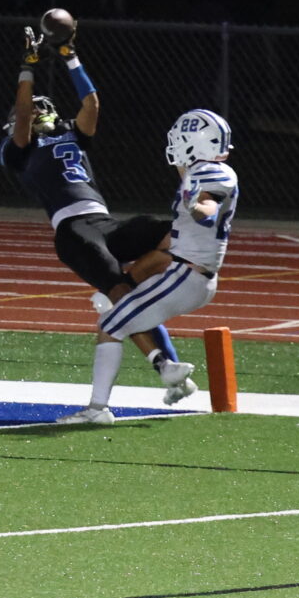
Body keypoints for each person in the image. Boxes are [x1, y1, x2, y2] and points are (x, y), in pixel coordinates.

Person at [0, 14, 201, 422]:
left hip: (105, 221)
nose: (38, 111)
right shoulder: (17, 149)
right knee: (120, 293)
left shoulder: (72, 132)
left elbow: (92, 104)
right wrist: (27, 68)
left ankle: (134, 294)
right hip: (73, 230)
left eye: (41, 107)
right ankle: (164, 364)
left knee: (173, 233)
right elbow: (22, 117)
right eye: (32, 109)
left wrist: (69, 55)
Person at [82, 106, 240, 424]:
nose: (175, 144)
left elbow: (208, 206)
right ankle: (169, 370)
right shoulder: (201, 171)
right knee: (122, 313)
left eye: (181, 138)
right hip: (184, 270)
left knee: (110, 324)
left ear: (196, 142)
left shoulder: (213, 172)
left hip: (186, 274)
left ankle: (97, 410)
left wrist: (198, 206)